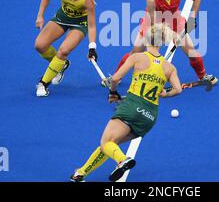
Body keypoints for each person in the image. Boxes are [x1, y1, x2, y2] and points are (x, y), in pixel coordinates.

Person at [70, 24, 183, 182]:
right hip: (149, 116)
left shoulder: (137, 57)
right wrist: (165, 93)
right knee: (111, 144)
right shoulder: (169, 67)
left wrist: (113, 92)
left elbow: (115, 79)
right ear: (162, 42)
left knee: (106, 142)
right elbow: (178, 90)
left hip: (131, 108)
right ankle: (81, 173)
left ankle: (123, 160)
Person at [107, 0, 217, 87]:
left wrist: (192, 18)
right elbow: (156, 27)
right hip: (153, 23)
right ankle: (115, 78)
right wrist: (173, 36)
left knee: (192, 52)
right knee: (135, 52)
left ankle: (203, 76)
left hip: (174, 21)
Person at [34, 0, 98, 97]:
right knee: (40, 46)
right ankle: (61, 65)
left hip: (79, 24)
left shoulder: (88, 1)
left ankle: (43, 83)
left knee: (63, 51)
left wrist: (92, 47)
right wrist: (40, 16)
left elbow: (92, 26)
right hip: (62, 18)